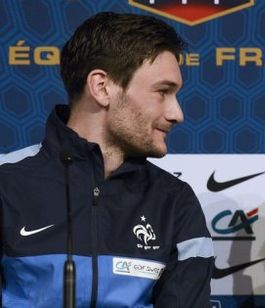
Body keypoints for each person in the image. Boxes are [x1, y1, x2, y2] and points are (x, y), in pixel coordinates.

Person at [0, 12, 214, 307]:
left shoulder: (175, 203)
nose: (177, 113)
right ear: (102, 88)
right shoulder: (7, 184)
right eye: (163, 92)